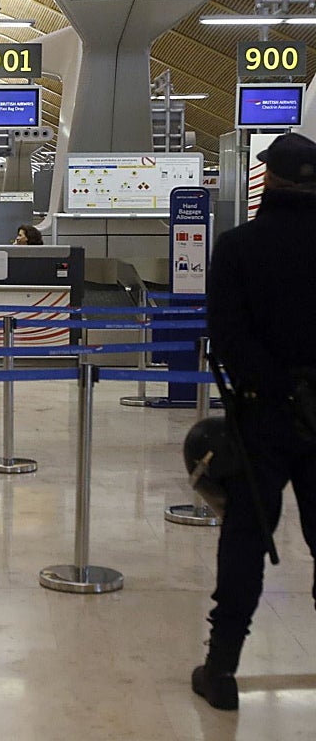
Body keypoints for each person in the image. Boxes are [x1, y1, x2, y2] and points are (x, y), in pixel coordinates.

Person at [195, 131, 316, 711]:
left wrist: (274, 386)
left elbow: (228, 335)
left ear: (268, 179)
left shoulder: (240, 246)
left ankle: (221, 670)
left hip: (262, 416)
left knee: (245, 540)